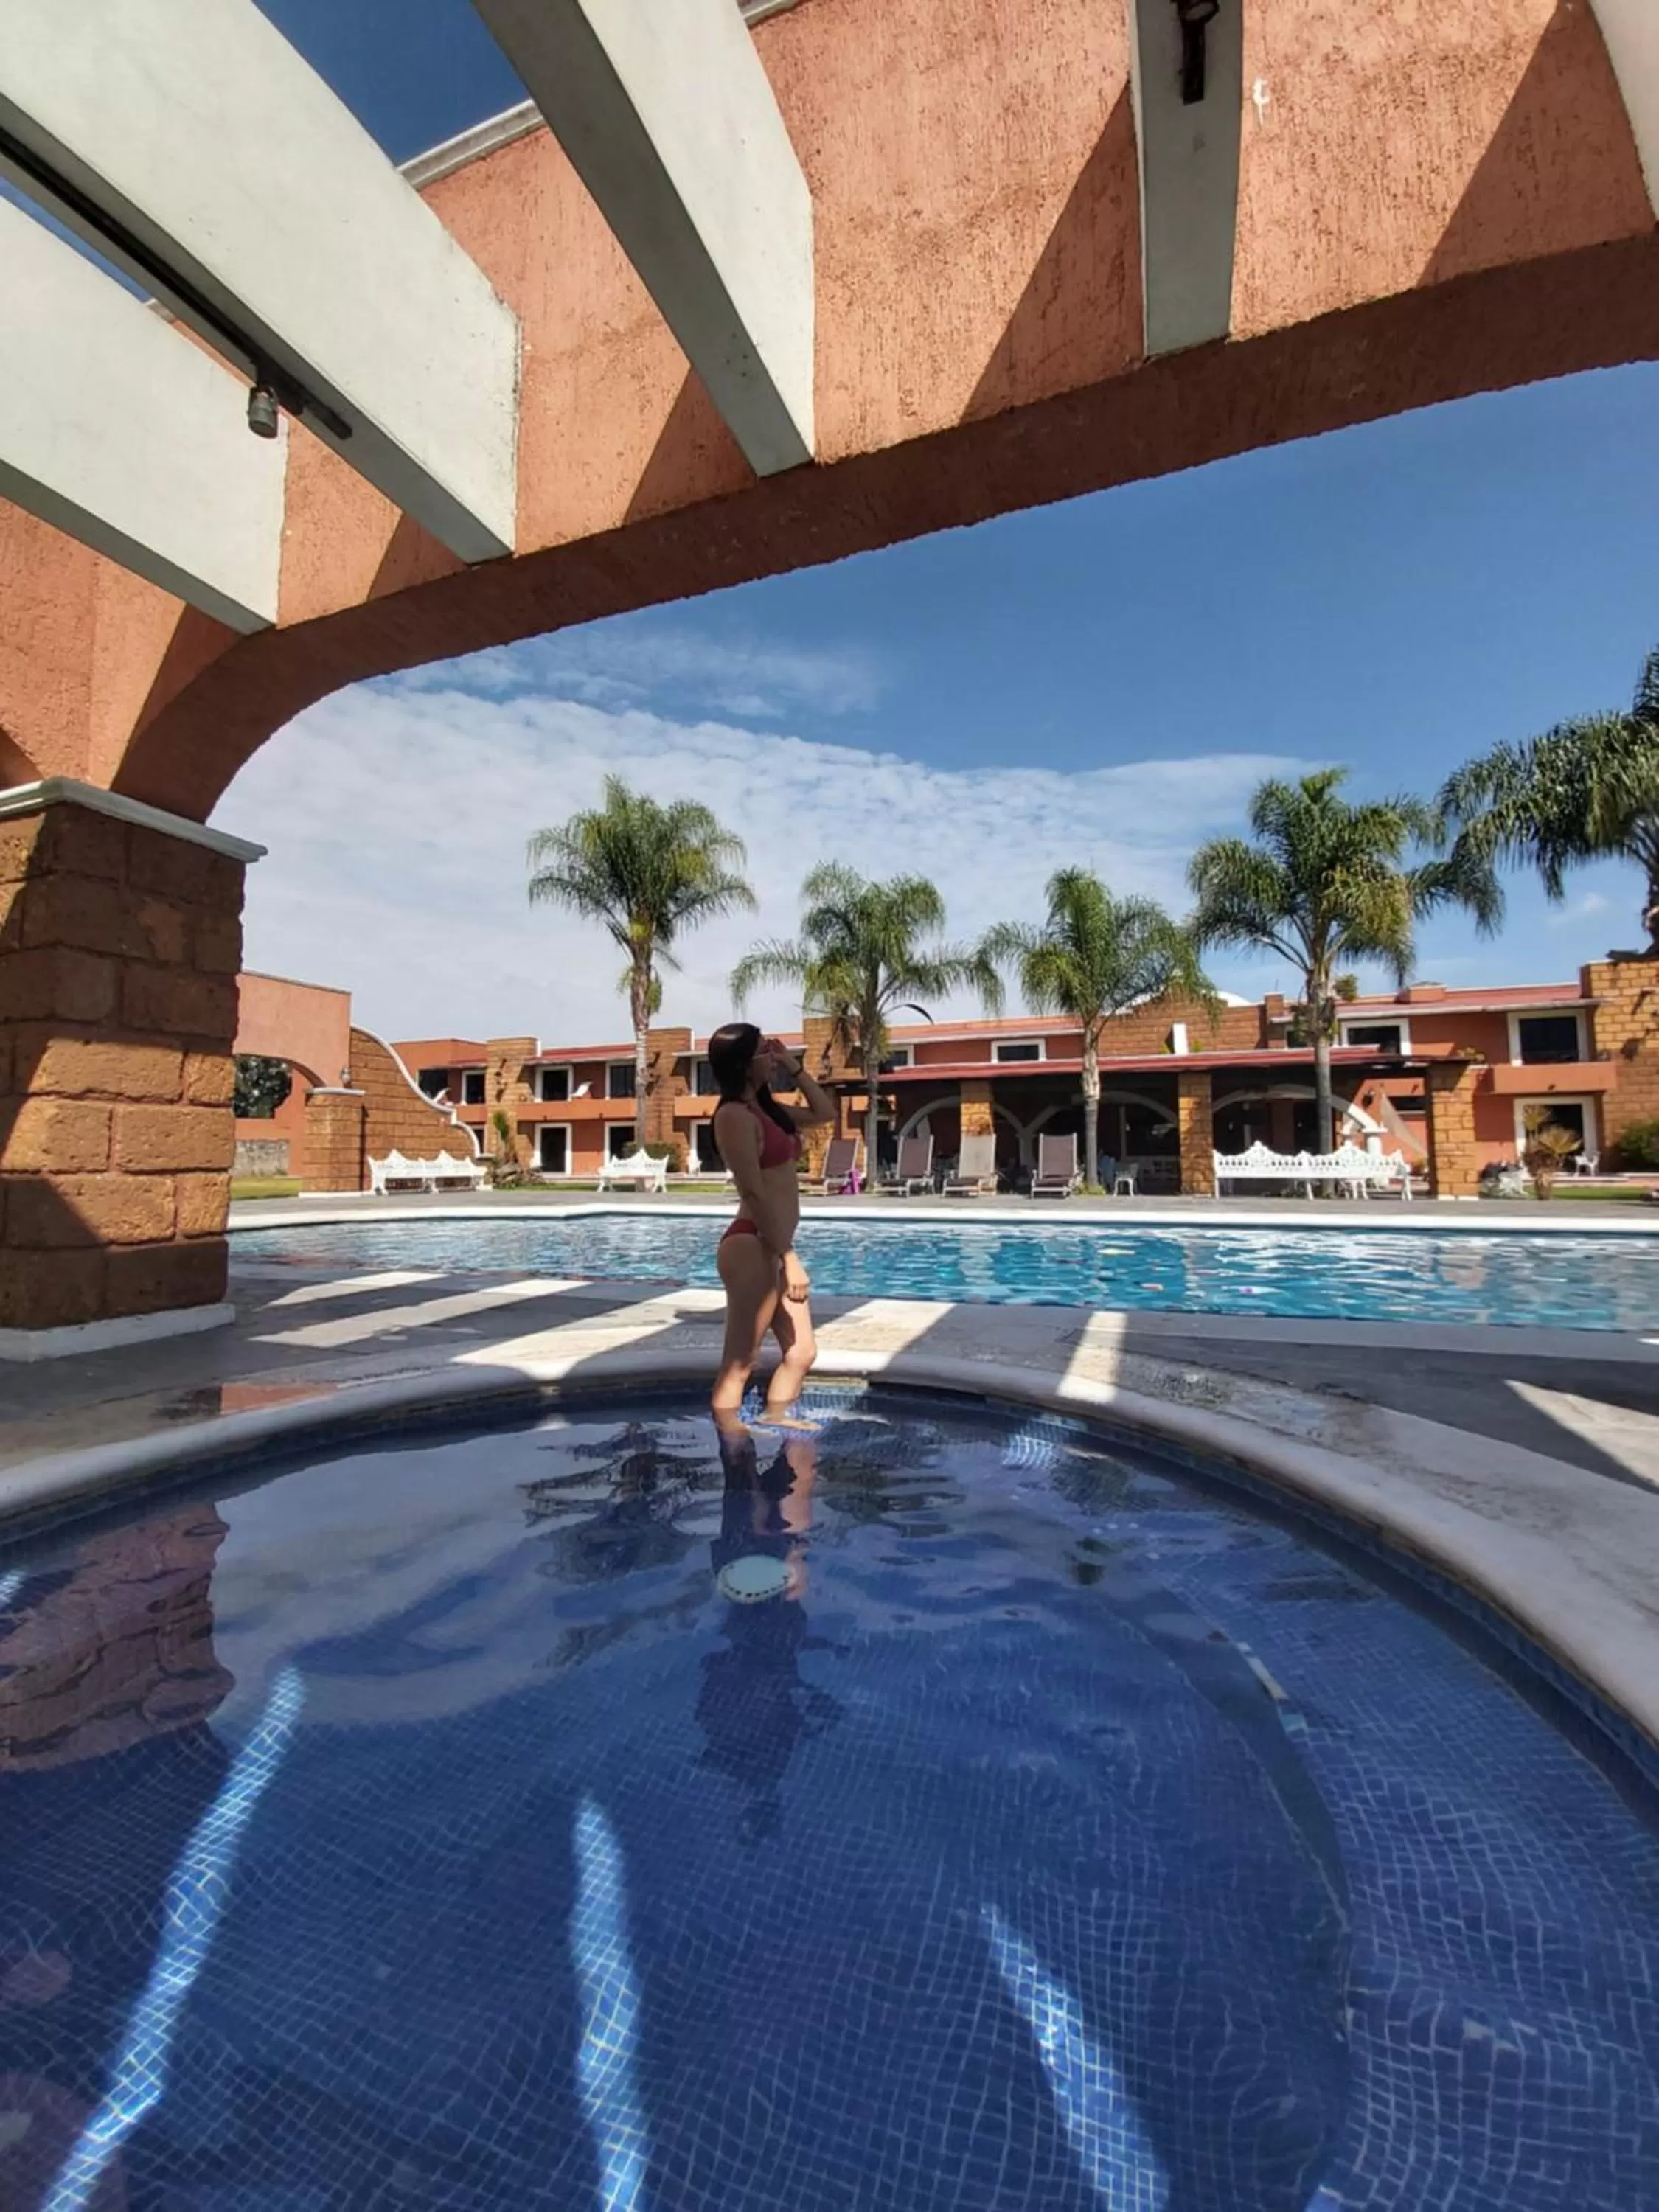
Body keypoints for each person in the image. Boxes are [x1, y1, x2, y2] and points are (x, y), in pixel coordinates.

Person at [706, 1020, 836, 1422]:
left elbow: (825, 1112)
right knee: (740, 1363)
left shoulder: (767, 1110)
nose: (772, 1056)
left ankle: (774, 1420)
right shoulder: (733, 1117)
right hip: (752, 1245)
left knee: (801, 1352)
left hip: (772, 1247)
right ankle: (730, 1445)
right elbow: (753, 1192)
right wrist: (789, 1256)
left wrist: (793, 1066)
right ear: (745, 1065)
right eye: (766, 1051)